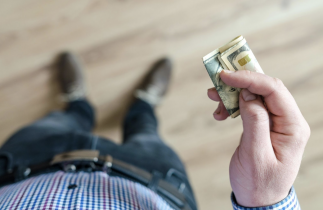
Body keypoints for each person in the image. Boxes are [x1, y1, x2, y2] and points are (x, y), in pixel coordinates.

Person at [0, 52, 310, 210]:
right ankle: (143, 103)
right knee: (145, 130)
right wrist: (265, 199)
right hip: (155, 180)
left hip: (22, 165)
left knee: (61, 120)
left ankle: (78, 104)